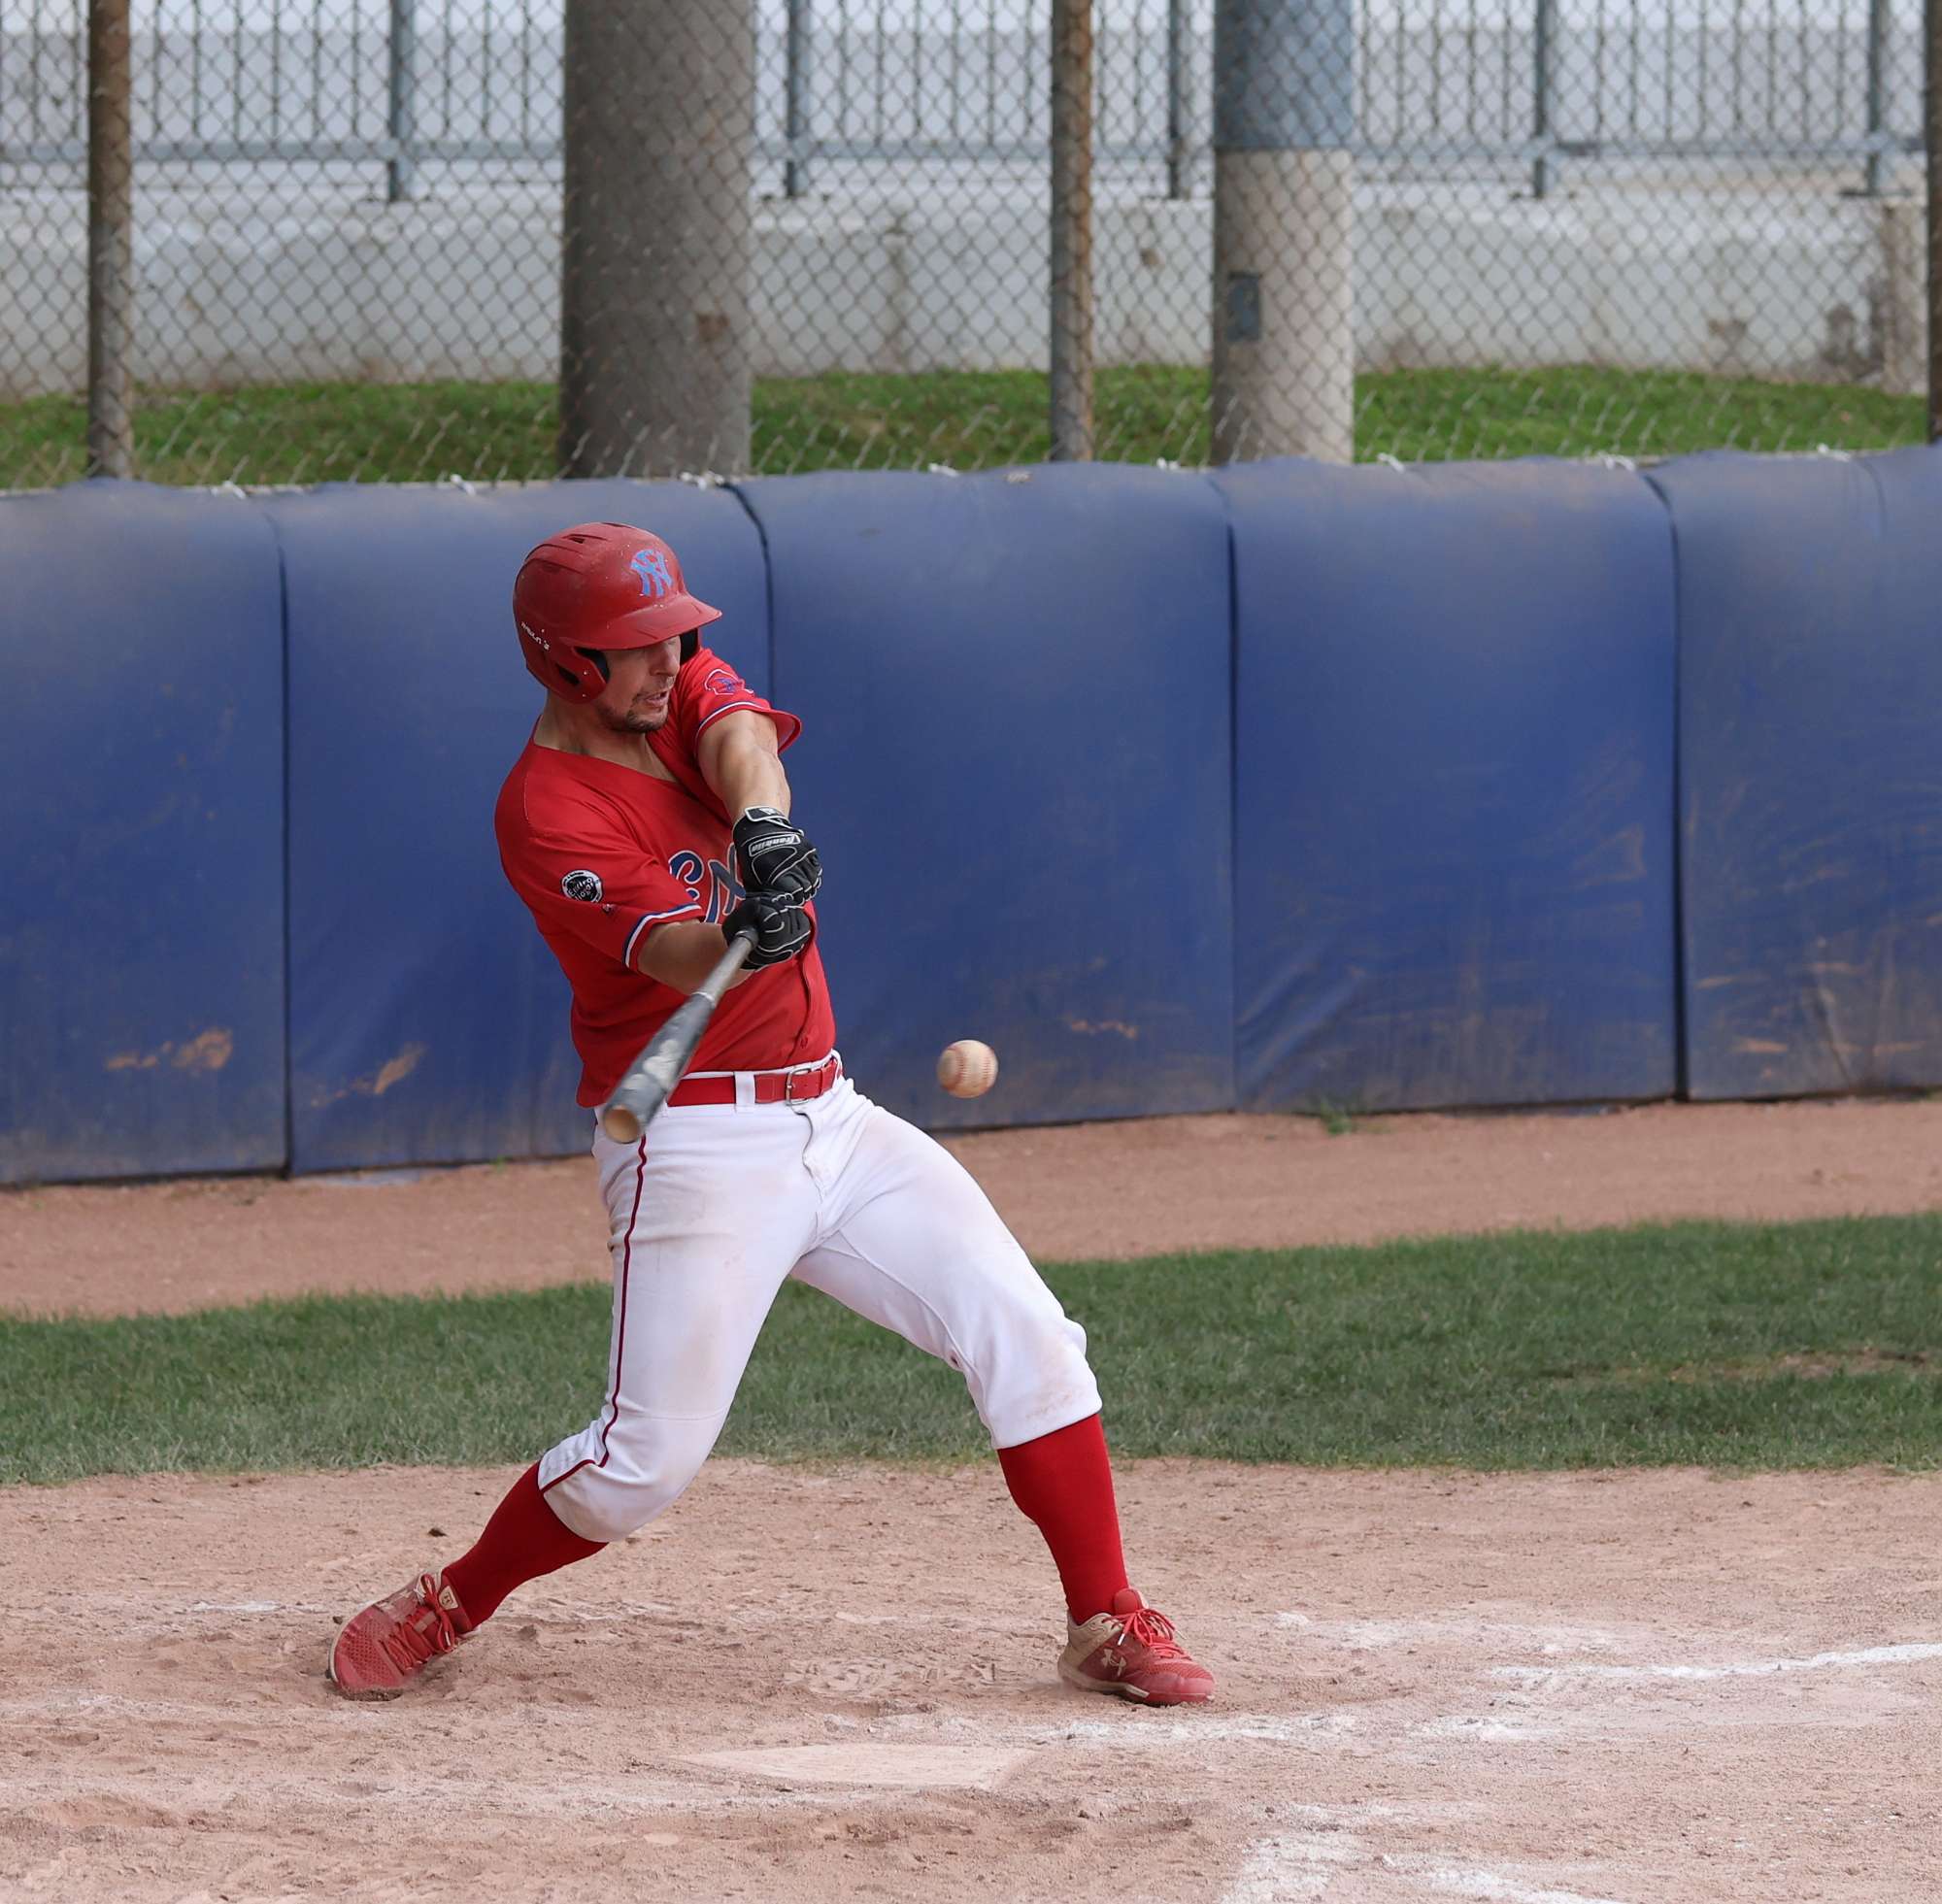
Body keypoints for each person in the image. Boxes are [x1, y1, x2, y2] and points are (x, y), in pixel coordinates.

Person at [326, 520, 1212, 1709]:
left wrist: (761, 830)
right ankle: (454, 1596)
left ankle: (1103, 1617)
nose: (670, 658)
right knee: (641, 1463)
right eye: (637, 645)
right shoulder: (545, 810)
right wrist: (743, 936)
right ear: (567, 662)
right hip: (696, 1141)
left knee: (1030, 1334)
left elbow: (739, 736)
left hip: (832, 1115)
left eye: (676, 635)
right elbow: (675, 950)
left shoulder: (675, 688)